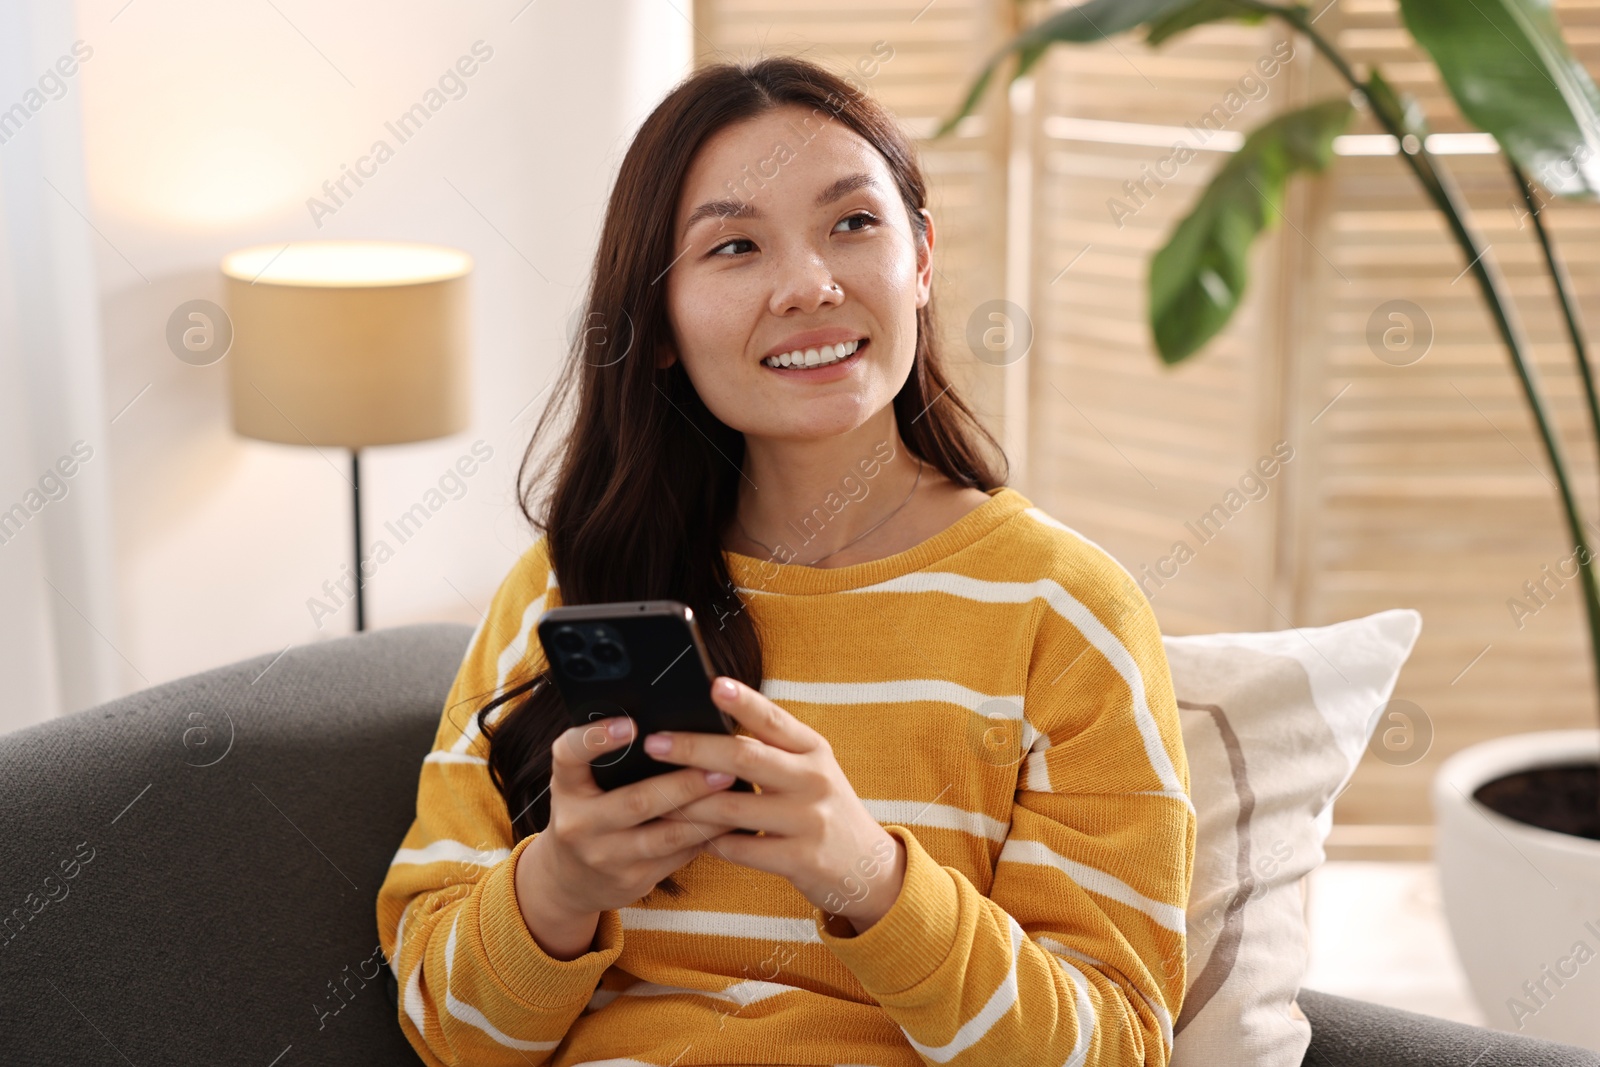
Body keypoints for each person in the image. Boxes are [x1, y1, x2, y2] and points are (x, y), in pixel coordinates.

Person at [376, 54, 1193, 1067]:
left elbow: (1113, 1047)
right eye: (734, 246)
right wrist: (561, 884)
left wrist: (868, 876)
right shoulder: (565, 586)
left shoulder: (1065, 613)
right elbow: (447, 1032)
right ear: (661, 324)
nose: (809, 284)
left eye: (853, 223)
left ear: (922, 259)